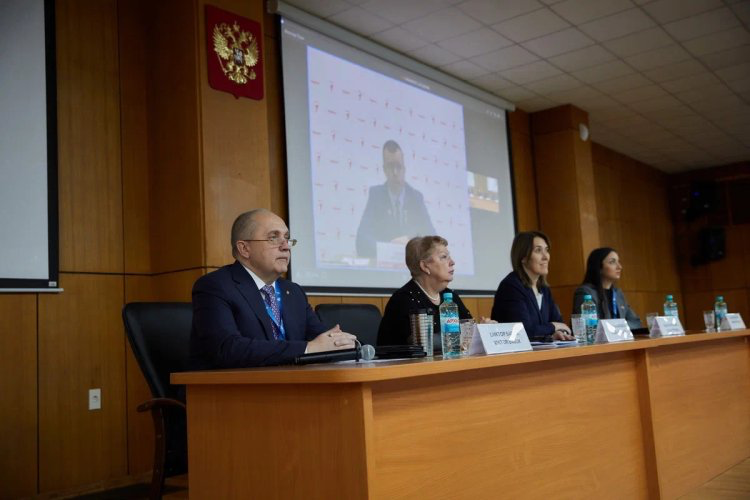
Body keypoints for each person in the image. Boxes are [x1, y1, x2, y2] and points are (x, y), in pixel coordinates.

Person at [190, 209, 357, 369]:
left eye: (287, 238)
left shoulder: (293, 292)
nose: (286, 246)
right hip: (228, 391)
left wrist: (347, 343)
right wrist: (308, 349)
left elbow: (322, 338)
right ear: (244, 249)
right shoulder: (215, 286)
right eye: (273, 238)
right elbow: (227, 348)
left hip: (290, 386)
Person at [378, 235, 473, 347]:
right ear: (424, 266)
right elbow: (417, 346)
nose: (452, 262)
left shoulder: (451, 296)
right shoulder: (403, 300)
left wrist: (485, 328)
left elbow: (469, 332)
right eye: (444, 257)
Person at [356, 140, 435, 258]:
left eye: (398, 166)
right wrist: (388, 249)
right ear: (384, 170)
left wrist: (410, 242)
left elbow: (433, 240)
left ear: (404, 168)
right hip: (385, 272)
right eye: (390, 167)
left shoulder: (416, 198)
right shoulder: (376, 195)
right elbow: (362, 240)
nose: (395, 172)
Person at [491, 231, 573, 342]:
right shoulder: (511, 287)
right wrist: (553, 327)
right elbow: (522, 332)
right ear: (523, 257)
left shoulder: (543, 288)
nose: (546, 257)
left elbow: (560, 324)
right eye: (538, 250)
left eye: (547, 250)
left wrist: (557, 332)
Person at [573, 248, 642, 330]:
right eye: (612, 262)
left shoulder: (618, 294)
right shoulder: (585, 292)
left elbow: (636, 322)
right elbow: (590, 326)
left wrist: (616, 327)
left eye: (618, 261)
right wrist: (619, 327)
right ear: (599, 267)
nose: (619, 267)